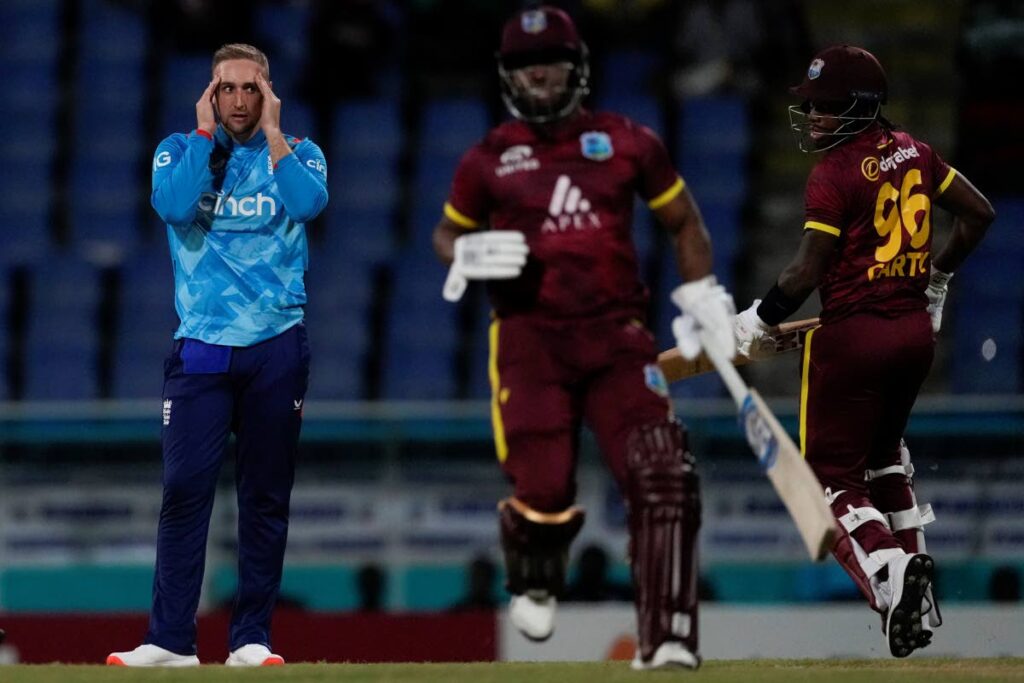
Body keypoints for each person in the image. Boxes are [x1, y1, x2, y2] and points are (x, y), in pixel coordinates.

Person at [432, 6, 736, 671]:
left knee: (661, 471)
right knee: (542, 488)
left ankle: (669, 634)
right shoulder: (487, 159)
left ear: (579, 68)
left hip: (616, 337)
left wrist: (702, 293)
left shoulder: (629, 142)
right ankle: (536, 577)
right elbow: (446, 234)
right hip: (528, 340)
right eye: (523, 65)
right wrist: (468, 251)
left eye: (551, 62)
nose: (538, 74)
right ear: (508, 75)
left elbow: (684, 223)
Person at [733, 45, 994, 658]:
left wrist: (756, 318)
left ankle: (888, 569)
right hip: (912, 336)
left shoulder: (833, 174)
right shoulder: (917, 152)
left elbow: (804, 272)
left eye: (824, 108)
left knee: (834, 480)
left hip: (851, 338)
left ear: (858, 106)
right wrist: (936, 280)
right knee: (885, 460)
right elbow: (979, 215)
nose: (813, 118)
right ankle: (916, 582)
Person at [107, 43, 328, 667]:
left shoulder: (301, 154)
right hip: (201, 347)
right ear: (210, 92)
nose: (238, 100)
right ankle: (171, 641)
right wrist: (204, 133)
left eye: (250, 89)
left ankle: (251, 641)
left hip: (276, 345)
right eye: (226, 88)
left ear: (268, 94)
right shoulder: (179, 150)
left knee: (264, 496)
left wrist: (277, 135)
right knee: (183, 489)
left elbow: (309, 205)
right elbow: (174, 207)